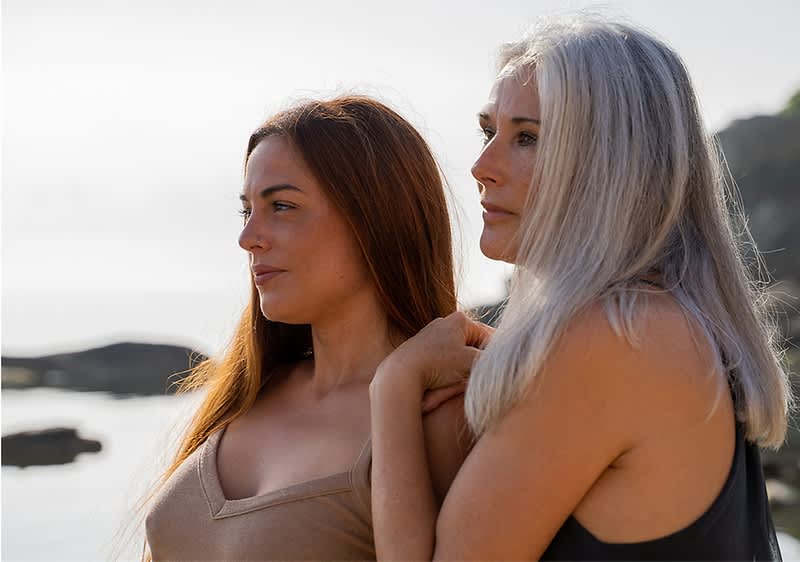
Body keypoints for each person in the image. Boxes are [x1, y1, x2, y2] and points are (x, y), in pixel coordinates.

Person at [370, 15, 791, 561]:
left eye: (528, 138)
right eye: (487, 131)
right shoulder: (666, 327)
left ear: (610, 162)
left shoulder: (618, 338)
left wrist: (394, 387)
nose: (482, 166)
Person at [143, 96, 471, 561]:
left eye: (281, 206)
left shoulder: (443, 419)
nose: (248, 237)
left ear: (375, 221)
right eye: (247, 210)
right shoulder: (249, 392)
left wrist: (396, 388)